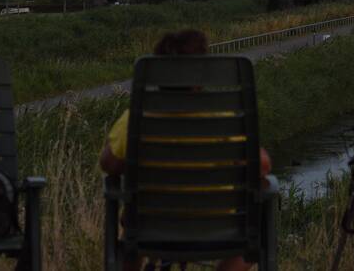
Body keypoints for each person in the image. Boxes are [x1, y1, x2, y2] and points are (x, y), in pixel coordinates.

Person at [100, 29, 272, 271]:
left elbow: (109, 164)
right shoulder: (223, 120)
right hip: (219, 228)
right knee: (252, 242)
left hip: (149, 229)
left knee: (129, 240)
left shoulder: (135, 120)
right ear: (202, 74)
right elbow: (262, 166)